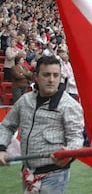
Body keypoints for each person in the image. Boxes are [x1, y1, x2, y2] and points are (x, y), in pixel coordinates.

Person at [0, 56, 84, 193]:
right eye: (46, 75)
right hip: (27, 172)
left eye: (56, 75)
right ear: (36, 77)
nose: (51, 79)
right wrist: (1, 147)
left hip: (54, 175)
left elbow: (75, 137)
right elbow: (7, 126)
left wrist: (70, 153)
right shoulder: (24, 101)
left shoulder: (69, 105)